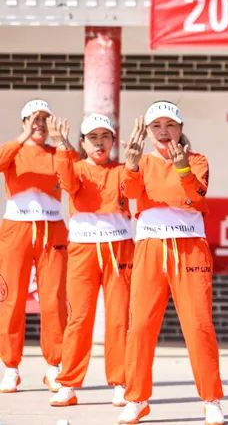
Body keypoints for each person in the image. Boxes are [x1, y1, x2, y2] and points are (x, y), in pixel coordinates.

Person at [117, 101, 224, 425]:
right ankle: (136, 399)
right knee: (140, 325)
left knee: (198, 325)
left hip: (189, 248)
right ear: (148, 132)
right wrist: (131, 165)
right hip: (150, 246)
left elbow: (196, 197)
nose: (164, 132)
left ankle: (211, 400)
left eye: (170, 125)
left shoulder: (197, 160)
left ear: (180, 129)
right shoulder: (141, 161)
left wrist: (182, 169)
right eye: (156, 126)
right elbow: (130, 193)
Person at [47, 114, 133, 407]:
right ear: (82, 142)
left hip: (119, 248)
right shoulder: (75, 167)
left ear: (113, 140)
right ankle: (68, 383)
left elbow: (134, 188)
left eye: (105, 136)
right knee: (79, 317)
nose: (99, 143)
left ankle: (121, 382)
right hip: (83, 248)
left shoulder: (121, 170)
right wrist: (61, 145)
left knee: (119, 317)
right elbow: (68, 184)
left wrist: (134, 161)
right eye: (93, 137)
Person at [0, 99, 68, 393]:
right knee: (11, 297)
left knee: (53, 299)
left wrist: (62, 142)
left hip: (52, 228)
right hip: (16, 228)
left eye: (44, 119)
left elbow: (75, 175)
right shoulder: (13, 151)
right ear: (24, 122)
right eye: (33, 118)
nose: (39, 124)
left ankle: (54, 367)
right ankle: (10, 368)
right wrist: (22, 137)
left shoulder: (57, 153)